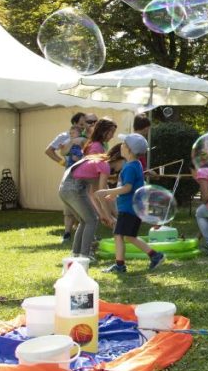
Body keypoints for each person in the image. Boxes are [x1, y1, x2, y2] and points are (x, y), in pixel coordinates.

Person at [96, 134, 165, 273]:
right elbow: (129, 187)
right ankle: (155, 255)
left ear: (129, 150)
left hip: (128, 209)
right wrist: (113, 194)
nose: (121, 146)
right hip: (133, 208)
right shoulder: (135, 164)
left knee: (118, 235)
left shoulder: (129, 167)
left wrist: (105, 192)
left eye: (123, 144)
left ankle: (120, 265)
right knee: (129, 236)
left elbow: (127, 187)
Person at [59, 144, 122, 260]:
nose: (124, 166)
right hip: (74, 189)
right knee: (91, 220)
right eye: (125, 162)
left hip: (64, 189)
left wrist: (103, 214)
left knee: (85, 221)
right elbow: (102, 193)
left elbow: (95, 193)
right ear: (119, 158)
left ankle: (76, 254)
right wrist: (108, 216)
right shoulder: (105, 166)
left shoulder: (97, 160)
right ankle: (84, 255)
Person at [46, 112, 89, 243]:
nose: (84, 126)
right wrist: (62, 162)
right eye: (81, 124)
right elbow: (48, 150)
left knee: (83, 203)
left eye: (85, 124)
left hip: (85, 175)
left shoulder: (86, 136)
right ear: (74, 123)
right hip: (71, 175)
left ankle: (82, 231)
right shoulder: (65, 136)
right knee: (69, 206)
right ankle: (67, 233)